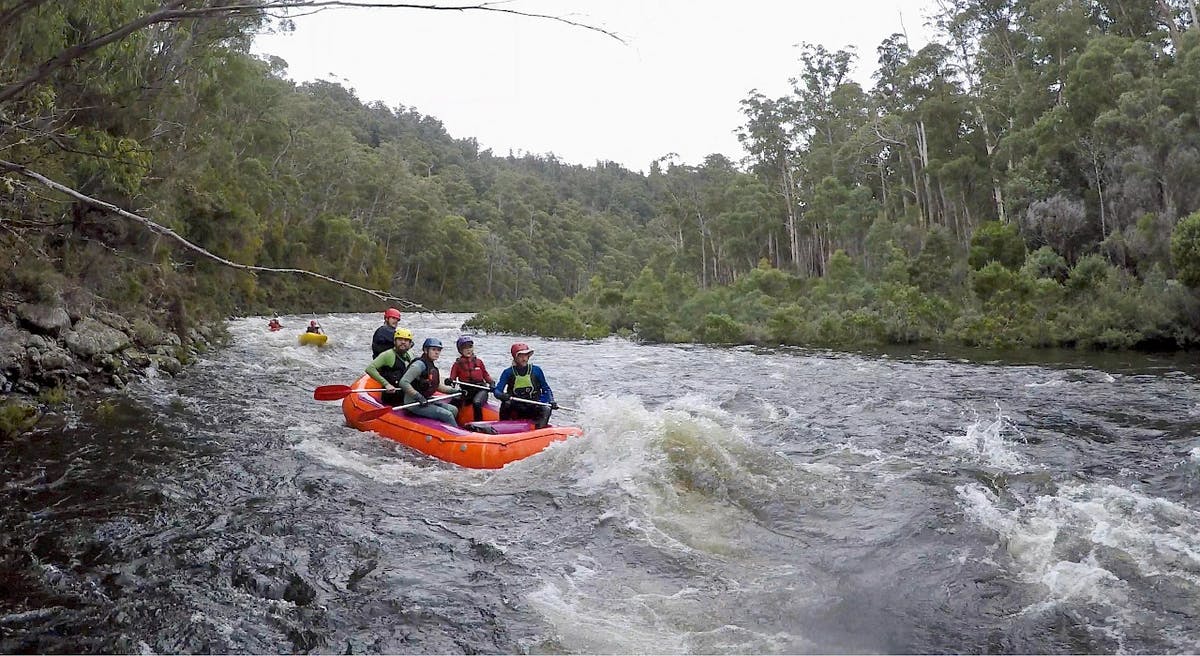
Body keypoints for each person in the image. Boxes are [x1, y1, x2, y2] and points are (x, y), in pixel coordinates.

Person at [494, 342, 557, 429]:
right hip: (517, 406)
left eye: (526, 355)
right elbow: (497, 391)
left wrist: (551, 401)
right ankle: (503, 429)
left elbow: (546, 389)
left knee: (546, 409)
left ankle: (539, 432)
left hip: (533, 405)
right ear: (515, 357)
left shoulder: (536, 370)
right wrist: (502, 396)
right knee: (506, 404)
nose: (524, 359)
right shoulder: (508, 372)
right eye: (521, 356)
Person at [397, 338, 460, 426]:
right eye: (433, 349)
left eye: (438, 350)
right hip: (413, 403)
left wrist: (454, 391)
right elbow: (403, 382)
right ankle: (455, 434)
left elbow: (436, 386)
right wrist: (418, 396)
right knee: (447, 414)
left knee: (454, 410)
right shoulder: (419, 365)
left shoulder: (431, 365)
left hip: (425, 399)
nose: (437, 352)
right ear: (426, 350)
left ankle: (445, 428)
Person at [449, 335, 496, 422]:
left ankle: (479, 425)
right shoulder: (457, 364)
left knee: (477, 403)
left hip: (480, 389)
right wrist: (450, 381)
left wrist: (491, 383)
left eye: (470, 347)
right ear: (460, 350)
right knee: (454, 402)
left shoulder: (479, 362)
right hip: (466, 391)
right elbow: (452, 378)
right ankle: (453, 424)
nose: (468, 350)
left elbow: (486, 375)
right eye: (465, 348)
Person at [365, 327, 414, 405]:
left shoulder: (410, 355)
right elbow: (370, 369)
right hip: (392, 396)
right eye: (400, 340)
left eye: (406, 340)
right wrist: (386, 384)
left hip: (406, 393)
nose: (403, 342)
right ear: (394, 342)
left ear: (410, 344)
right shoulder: (388, 355)